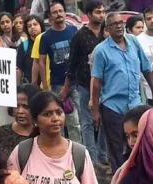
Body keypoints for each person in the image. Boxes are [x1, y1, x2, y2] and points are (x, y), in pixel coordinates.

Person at [91, 12, 153, 172]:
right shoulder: (101, 50)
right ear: (107, 28)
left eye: (121, 23)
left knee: (138, 142)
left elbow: (146, 68)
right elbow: (96, 82)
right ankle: (119, 182)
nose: (119, 26)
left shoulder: (133, 41)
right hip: (113, 106)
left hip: (135, 104)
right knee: (116, 147)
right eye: (115, 24)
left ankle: (138, 177)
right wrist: (95, 110)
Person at [67, 0, 107, 170]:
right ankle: (92, 158)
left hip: (107, 86)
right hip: (85, 85)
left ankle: (103, 155)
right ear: (89, 15)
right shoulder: (79, 36)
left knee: (106, 121)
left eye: (103, 12)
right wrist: (67, 86)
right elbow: (72, 63)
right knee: (87, 123)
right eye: (98, 12)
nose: (102, 15)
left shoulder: (108, 33)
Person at [39, 2, 81, 143]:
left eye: (61, 11)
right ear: (50, 17)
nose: (59, 14)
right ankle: (59, 147)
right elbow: (41, 61)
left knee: (77, 121)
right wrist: (45, 86)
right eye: (55, 12)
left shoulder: (73, 30)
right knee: (59, 121)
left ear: (65, 13)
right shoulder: (46, 37)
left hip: (77, 83)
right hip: (57, 83)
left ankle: (77, 150)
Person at [0, 84, 38, 157]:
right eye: (16, 106)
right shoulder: (2, 132)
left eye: (26, 107)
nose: (20, 111)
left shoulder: (42, 133)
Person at [16, 15, 43, 86]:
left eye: (35, 24)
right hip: (29, 86)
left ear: (41, 26)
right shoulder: (24, 46)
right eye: (29, 26)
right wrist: (18, 88)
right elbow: (19, 69)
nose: (32, 27)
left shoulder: (47, 42)